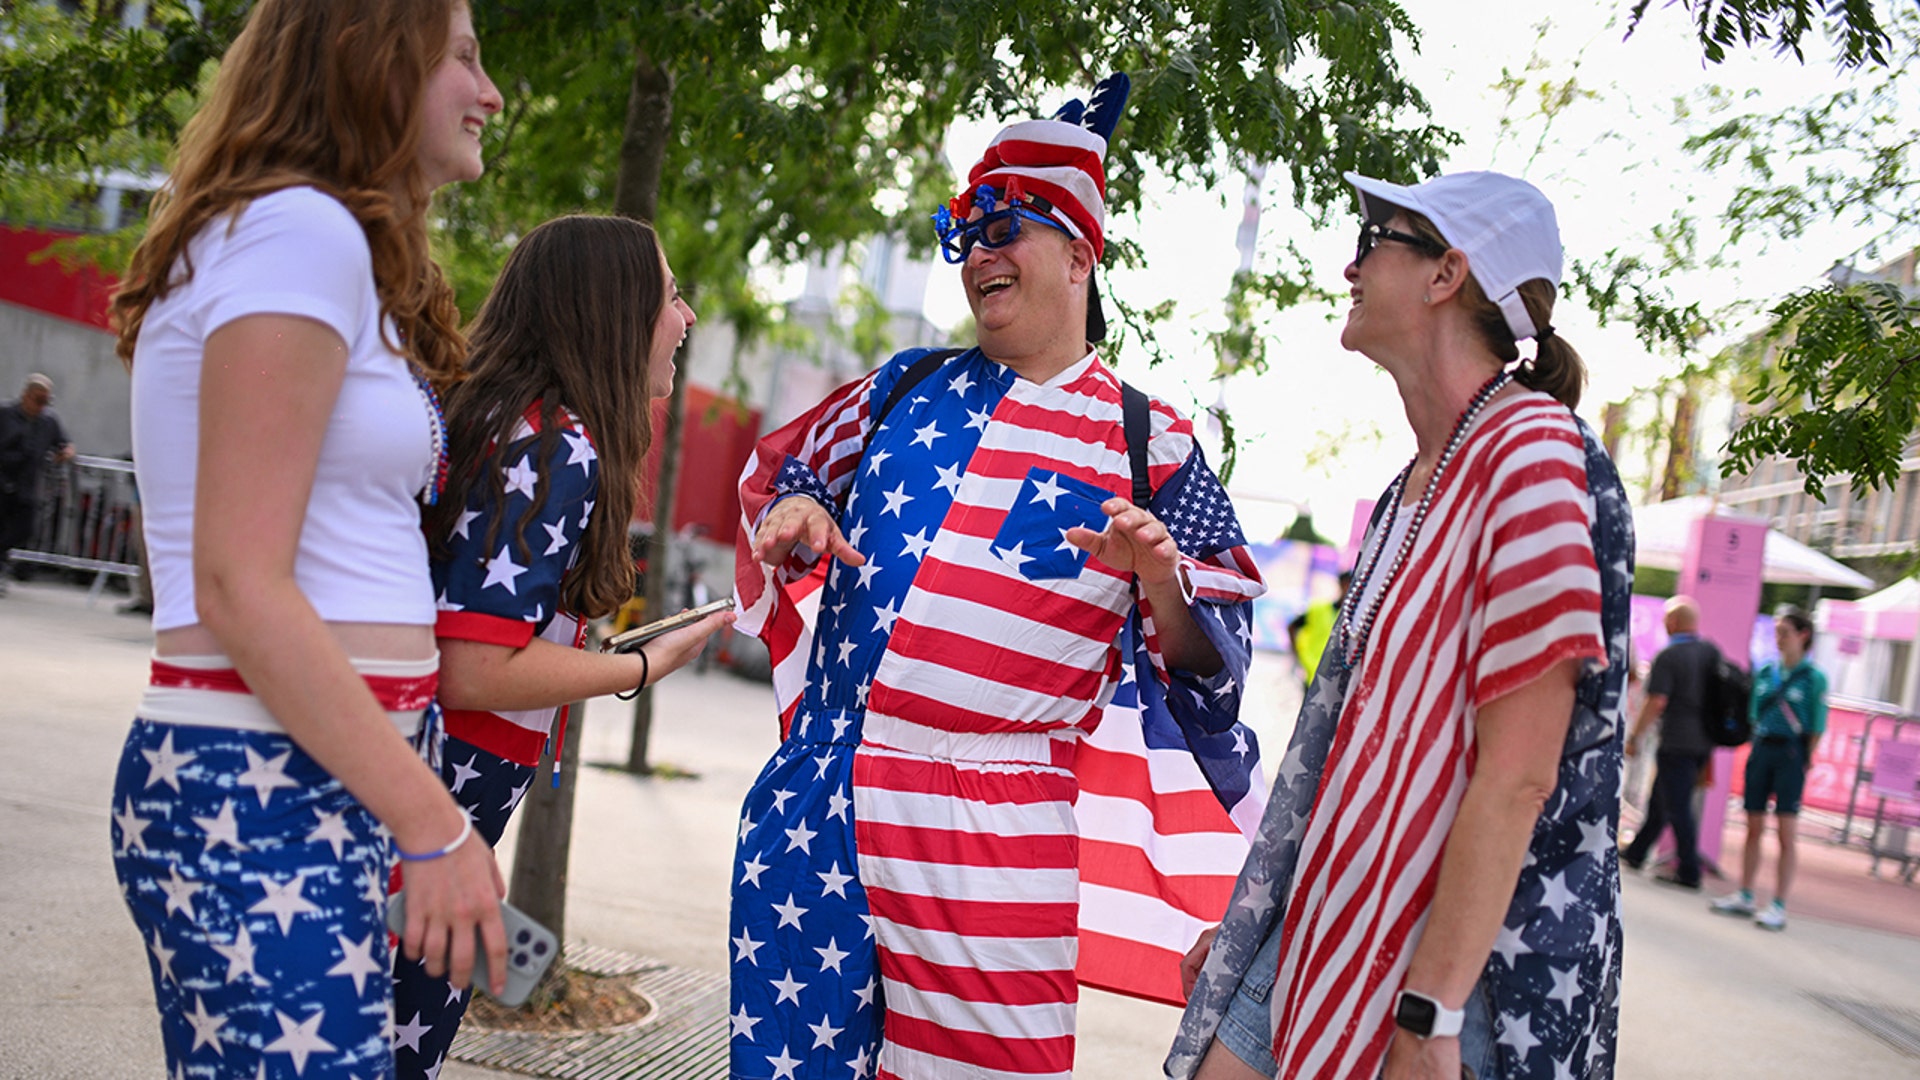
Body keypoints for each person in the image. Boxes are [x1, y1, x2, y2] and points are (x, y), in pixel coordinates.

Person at [730, 75, 1266, 1080]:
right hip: (820, 795)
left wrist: (1161, 580)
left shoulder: (1151, 441)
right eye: (964, 232)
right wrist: (792, 510)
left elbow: (1216, 657)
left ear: (1080, 254)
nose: (979, 252)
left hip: (993, 827)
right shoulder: (901, 385)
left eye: (1005, 228)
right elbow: (792, 470)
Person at [106, 3, 508, 1075]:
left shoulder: (307, 237)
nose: (490, 93)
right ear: (378, 56)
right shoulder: (300, 229)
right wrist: (436, 824)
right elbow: (237, 581)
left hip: (307, 771)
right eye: (464, 58)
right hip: (260, 776)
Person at [1169, 170, 1634, 1080]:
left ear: (1446, 273)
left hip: (1460, 969)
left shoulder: (1534, 453)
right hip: (1330, 923)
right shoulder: (1413, 483)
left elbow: (1519, 774)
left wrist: (1431, 1015)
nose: (1351, 267)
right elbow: (1353, 748)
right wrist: (1253, 922)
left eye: (1374, 240)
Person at [390, 214, 732, 1075]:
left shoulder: (500, 415)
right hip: (430, 814)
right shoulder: (556, 446)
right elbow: (473, 665)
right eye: (670, 296)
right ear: (613, 310)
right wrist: (643, 664)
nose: (686, 317)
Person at [1710, 608, 1828, 931]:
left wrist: (1805, 758)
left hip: (1790, 754)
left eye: (1785, 632)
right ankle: (1745, 892)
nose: (1779, 639)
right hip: (1762, 749)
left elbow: (1817, 726)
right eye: (1777, 632)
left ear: (1803, 635)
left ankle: (1778, 903)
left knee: (1786, 831)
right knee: (1753, 824)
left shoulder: (1813, 678)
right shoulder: (1766, 671)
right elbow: (1753, 715)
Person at [1622, 595, 1719, 889]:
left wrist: (1635, 736)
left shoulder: (1669, 656)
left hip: (1676, 739)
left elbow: (1656, 701)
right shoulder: (1710, 652)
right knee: (1663, 798)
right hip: (1703, 739)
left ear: (1673, 622)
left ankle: (1689, 869)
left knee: (1677, 805)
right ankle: (1638, 851)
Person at [0, 373, 75, 592]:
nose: (41, 406)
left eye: (45, 402)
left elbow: (64, 442)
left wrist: (66, 452)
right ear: (26, 395)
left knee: (25, 528)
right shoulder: (5, 414)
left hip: (27, 482)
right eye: (38, 400)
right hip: (3, 476)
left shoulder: (48, 421)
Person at [1286, 569, 1350, 682]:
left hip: (1336, 676)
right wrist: (1297, 656)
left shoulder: (1353, 616)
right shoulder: (1318, 609)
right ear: (1340, 584)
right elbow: (1292, 626)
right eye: (1347, 584)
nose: (1348, 588)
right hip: (1312, 670)